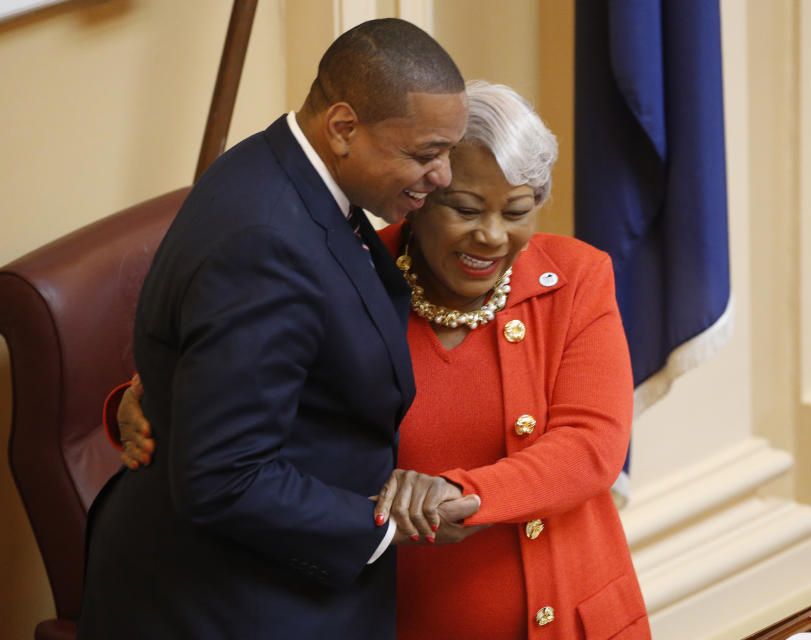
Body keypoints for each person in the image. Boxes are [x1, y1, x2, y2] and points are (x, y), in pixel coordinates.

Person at [109, 80, 651, 638]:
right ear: (420, 197)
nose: (492, 236)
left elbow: (591, 445)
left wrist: (464, 494)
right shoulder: (345, 269)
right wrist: (145, 394)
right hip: (399, 617)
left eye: (517, 212)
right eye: (465, 209)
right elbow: (241, 366)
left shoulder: (574, 278)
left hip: (572, 618)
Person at [78, 18, 480, 640]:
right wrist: (385, 528)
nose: (444, 176)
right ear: (344, 128)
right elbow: (224, 478)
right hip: (232, 602)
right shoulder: (265, 246)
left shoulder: (277, 164)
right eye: (425, 154)